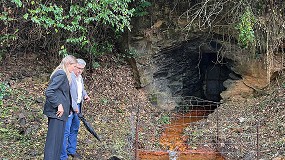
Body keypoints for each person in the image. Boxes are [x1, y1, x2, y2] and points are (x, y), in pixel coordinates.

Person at [43, 55, 77, 160]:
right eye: (74, 66)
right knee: (53, 143)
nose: (74, 69)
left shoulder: (64, 74)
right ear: (68, 64)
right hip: (56, 114)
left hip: (61, 115)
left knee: (57, 143)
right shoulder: (61, 74)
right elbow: (49, 91)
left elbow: (62, 94)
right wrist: (59, 105)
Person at [61, 58, 90, 160]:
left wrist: (85, 95)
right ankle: (63, 156)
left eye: (82, 69)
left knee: (75, 129)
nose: (80, 71)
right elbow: (68, 94)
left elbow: (81, 89)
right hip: (70, 108)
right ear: (74, 66)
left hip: (78, 107)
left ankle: (71, 150)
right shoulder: (69, 76)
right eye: (78, 68)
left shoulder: (80, 77)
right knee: (66, 132)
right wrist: (74, 107)